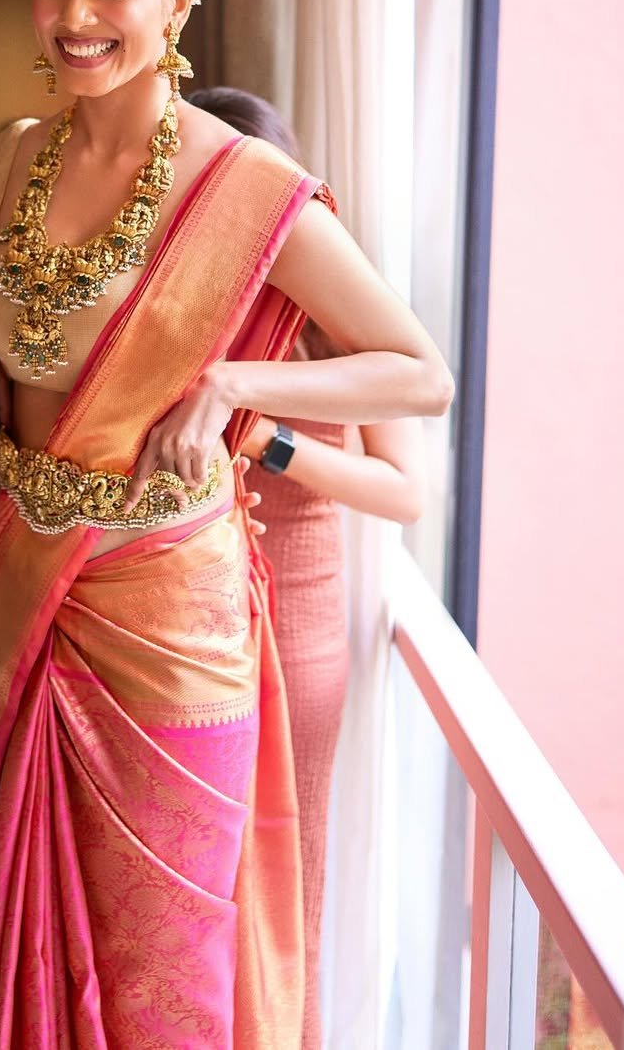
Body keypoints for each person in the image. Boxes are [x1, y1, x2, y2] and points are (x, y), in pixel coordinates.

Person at [0, 0, 452, 1048]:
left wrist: (236, 382)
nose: (74, 19)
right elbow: (16, 304)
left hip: (166, 622)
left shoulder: (251, 187)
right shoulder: (17, 156)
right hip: (8, 580)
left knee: (163, 980)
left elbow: (419, 373)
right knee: (11, 940)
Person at [187, 85, 427, 1048]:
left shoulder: (338, 312)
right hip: (182, 614)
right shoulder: (181, 304)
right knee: (198, 881)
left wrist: (266, 440)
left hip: (298, 616)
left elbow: (403, 491)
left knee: (290, 878)